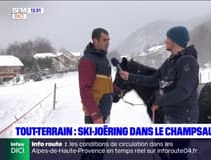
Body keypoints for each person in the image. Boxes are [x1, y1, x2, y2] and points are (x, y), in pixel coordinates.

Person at [119, 26, 199, 160]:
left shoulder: (188, 62)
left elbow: (183, 91)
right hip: (171, 115)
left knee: (177, 155)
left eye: (168, 38)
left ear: (175, 41)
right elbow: (153, 80)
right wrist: (130, 77)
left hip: (184, 119)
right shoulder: (170, 61)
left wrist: (159, 102)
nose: (165, 41)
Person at [78, 28, 113, 160]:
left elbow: (103, 84)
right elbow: (85, 90)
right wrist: (95, 115)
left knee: (98, 149)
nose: (108, 42)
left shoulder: (103, 58)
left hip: (104, 112)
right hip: (95, 115)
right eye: (104, 40)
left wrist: (115, 91)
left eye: (108, 40)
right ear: (95, 40)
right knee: (92, 150)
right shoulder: (88, 60)